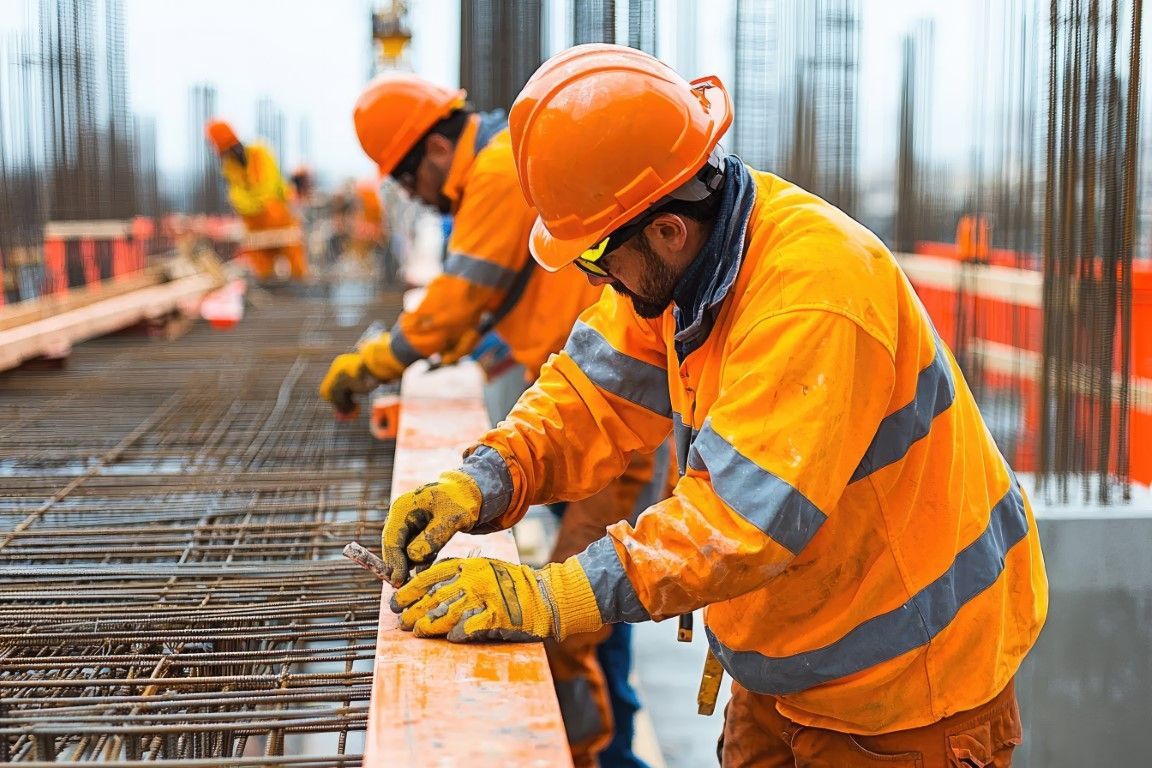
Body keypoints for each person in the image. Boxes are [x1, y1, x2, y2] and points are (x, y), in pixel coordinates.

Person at [382, 45, 1049, 768]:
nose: (598, 280)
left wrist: (549, 598)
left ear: (667, 229)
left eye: (597, 259)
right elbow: (589, 393)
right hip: (788, 660)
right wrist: (485, 478)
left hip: (907, 694)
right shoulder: (680, 262)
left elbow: (736, 522)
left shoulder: (813, 295)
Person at [319, 73, 658, 768]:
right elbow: (499, 310)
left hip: (612, 415)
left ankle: (605, 754)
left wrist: (376, 361)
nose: (414, 195)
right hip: (583, 399)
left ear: (437, 148)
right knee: (596, 605)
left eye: (410, 179)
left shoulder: (498, 172)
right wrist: (473, 484)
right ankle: (614, 735)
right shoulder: (499, 169)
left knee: (572, 621)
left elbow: (458, 300)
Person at [204, 120, 307, 280]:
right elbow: (236, 197)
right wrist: (251, 204)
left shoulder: (260, 151)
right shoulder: (229, 167)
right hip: (254, 223)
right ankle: (270, 291)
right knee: (261, 264)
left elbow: (268, 187)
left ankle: (300, 291)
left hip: (278, 216)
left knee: (294, 259)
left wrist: (251, 203)